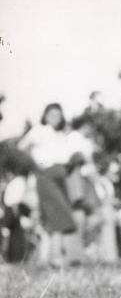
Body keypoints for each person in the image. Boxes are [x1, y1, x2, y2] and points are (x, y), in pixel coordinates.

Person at [18, 103, 76, 266]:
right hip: (46, 175)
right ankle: (57, 257)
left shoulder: (62, 134)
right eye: (52, 114)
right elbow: (22, 146)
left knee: (52, 217)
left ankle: (46, 259)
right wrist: (36, 164)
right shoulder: (39, 130)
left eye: (58, 114)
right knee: (59, 213)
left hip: (61, 175)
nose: (55, 118)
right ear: (45, 115)